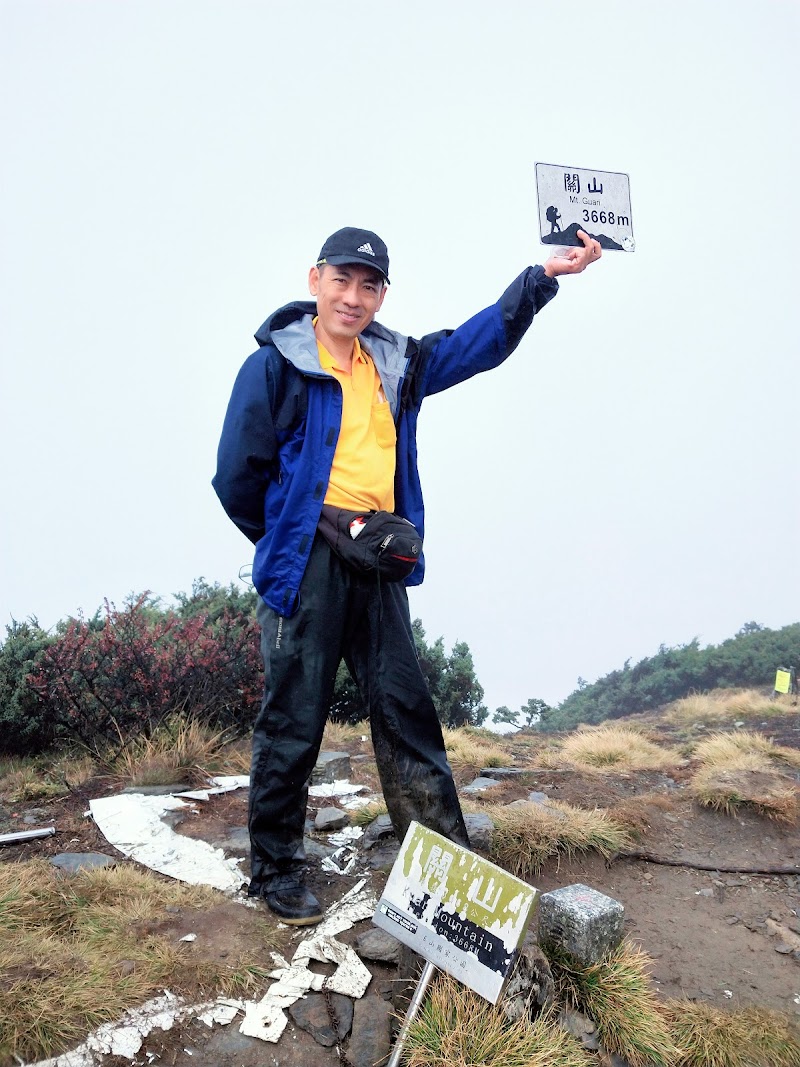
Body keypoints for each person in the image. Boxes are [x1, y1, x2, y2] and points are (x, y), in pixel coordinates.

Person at [213, 226, 601, 925]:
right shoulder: (274, 367)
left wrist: (544, 278)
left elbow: (476, 345)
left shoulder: (395, 362)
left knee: (405, 709)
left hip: (378, 556)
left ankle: (445, 871)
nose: (353, 296)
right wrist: (288, 537)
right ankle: (274, 869)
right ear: (315, 280)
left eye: (369, 285)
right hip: (307, 559)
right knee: (294, 720)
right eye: (342, 279)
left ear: (382, 294)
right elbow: (235, 476)